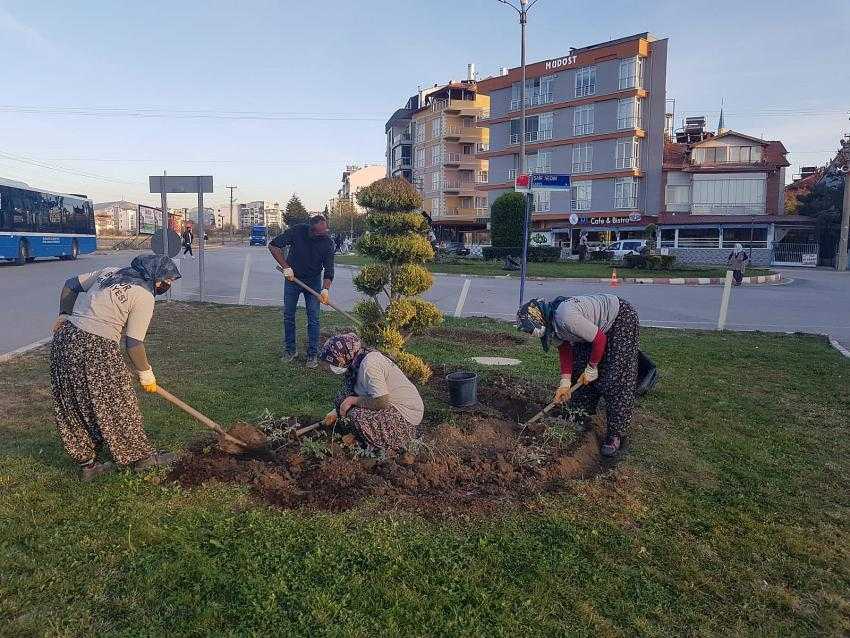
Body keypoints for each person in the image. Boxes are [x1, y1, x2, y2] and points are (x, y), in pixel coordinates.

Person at [50, 254, 182, 480]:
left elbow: (71, 284)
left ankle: (88, 466)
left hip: (65, 341)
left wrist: (64, 314)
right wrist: (146, 374)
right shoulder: (143, 296)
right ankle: (141, 458)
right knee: (118, 403)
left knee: (73, 403)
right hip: (96, 348)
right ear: (154, 277)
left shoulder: (109, 272)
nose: (166, 286)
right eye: (166, 281)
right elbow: (134, 343)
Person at [516, 294, 640, 457]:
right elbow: (565, 349)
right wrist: (565, 382)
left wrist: (592, 367)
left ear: (538, 320)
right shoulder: (552, 325)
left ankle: (614, 435)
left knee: (616, 378)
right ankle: (581, 416)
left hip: (619, 319)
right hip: (595, 329)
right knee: (579, 367)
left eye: (529, 329)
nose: (529, 334)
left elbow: (600, 339)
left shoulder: (566, 316)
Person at [318, 333, 423, 451]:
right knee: (341, 398)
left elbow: (381, 401)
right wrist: (335, 412)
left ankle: (366, 441)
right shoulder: (355, 362)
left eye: (333, 361)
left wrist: (353, 400)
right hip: (385, 401)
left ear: (344, 356)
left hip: (405, 414)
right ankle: (351, 430)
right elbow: (352, 392)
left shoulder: (369, 365)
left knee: (357, 416)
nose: (329, 367)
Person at [268, 214, 335, 368]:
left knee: (313, 318)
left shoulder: (327, 243)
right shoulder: (298, 231)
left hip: (313, 281)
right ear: (312, 230)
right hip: (293, 279)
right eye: (321, 232)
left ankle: (312, 354)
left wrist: (325, 289)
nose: (325, 233)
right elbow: (273, 246)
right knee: (288, 316)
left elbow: (329, 270)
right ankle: (290, 350)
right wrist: (286, 267)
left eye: (326, 230)